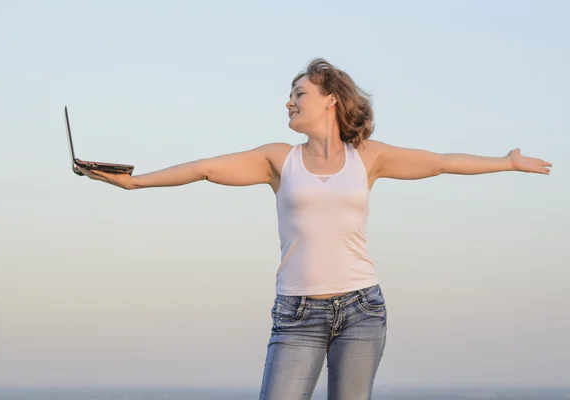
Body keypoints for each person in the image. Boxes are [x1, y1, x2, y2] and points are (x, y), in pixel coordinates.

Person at [77, 58, 552, 400]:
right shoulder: (278, 160)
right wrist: (135, 183)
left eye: (299, 93)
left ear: (330, 99)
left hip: (362, 309)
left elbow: (442, 163)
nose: (289, 102)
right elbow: (205, 168)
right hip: (297, 315)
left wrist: (506, 163)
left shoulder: (367, 157)